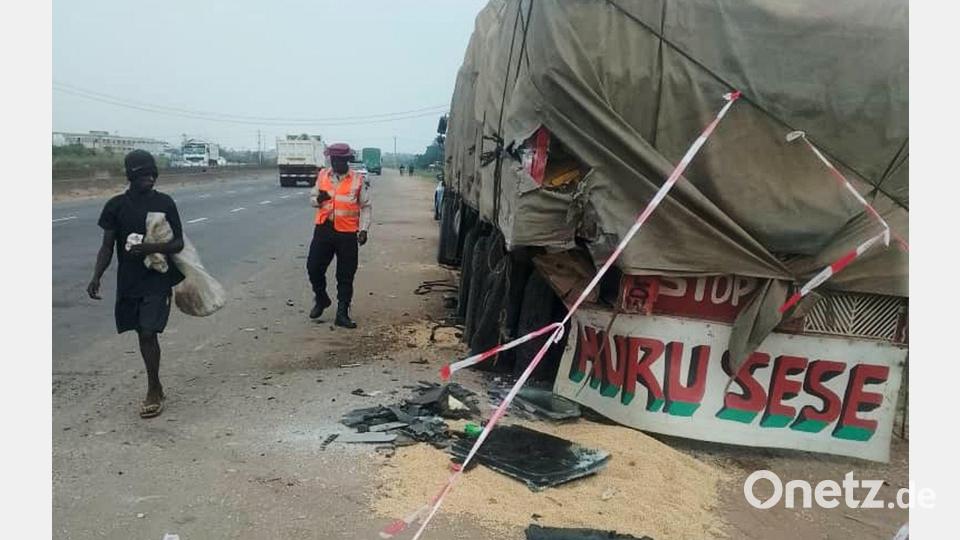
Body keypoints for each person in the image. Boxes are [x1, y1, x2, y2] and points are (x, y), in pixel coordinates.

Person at [87, 150, 185, 419]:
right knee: (139, 330)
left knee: (147, 332)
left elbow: (178, 243)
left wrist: (150, 247)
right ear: (131, 175)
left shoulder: (165, 203)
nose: (150, 178)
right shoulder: (115, 206)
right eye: (144, 174)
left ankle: (153, 389)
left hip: (157, 277)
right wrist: (97, 275)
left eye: (153, 174)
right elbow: (107, 246)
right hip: (129, 280)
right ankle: (157, 385)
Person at [307, 143, 372, 328]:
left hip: (347, 233)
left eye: (340, 160)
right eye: (333, 160)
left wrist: (364, 229)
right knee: (313, 268)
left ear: (347, 160)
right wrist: (318, 199)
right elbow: (312, 198)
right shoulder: (322, 176)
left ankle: (342, 313)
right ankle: (321, 298)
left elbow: (366, 206)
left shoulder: (358, 180)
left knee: (345, 275)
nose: (336, 163)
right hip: (324, 230)